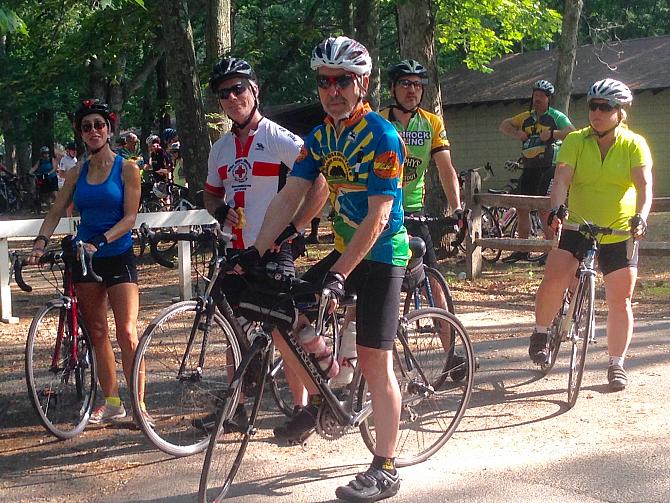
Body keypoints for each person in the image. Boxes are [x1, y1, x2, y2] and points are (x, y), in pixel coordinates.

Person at [231, 36, 408, 502]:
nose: (333, 90)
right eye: (325, 82)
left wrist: (339, 273)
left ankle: (385, 467)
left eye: (343, 81)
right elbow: (291, 195)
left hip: (384, 253)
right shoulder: (322, 137)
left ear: (362, 83)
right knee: (284, 310)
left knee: (375, 362)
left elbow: (379, 217)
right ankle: (328, 375)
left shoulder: (383, 136)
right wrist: (257, 250)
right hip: (350, 252)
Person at [194, 56, 328, 431]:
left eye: (239, 88)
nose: (232, 97)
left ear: (254, 91)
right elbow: (210, 195)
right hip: (236, 251)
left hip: (272, 249)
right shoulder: (219, 149)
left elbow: (321, 182)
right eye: (224, 93)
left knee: (283, 330)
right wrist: (220, 212)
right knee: (230, 328)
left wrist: (297, 227)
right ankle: (235, 408)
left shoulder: (279, 138)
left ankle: (305, 409)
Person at [26, 99, 149, 426]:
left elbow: (130, 217)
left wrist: (101, 241)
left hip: (116, 253)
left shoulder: (127, 168)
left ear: (109, 129)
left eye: (98, 125)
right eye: (86, 127)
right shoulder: (78, 171)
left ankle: (140, 405)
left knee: (126, 331)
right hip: (84, 257)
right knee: (96, 331)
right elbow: (55, 211)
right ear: (80, 134)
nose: (93, 131)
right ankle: (112, 401)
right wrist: (40, 243)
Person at [529, 79, 653, 392]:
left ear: (620, 112)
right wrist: (558, 209)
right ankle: (542, 332)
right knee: (554, 277)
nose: (596, 112)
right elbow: (561, 178)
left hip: (618, 228)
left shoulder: (634, 143)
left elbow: (644, 187)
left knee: (620, 298)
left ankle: (615, 364)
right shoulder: (576, 140)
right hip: (578, 225)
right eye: (593, 106)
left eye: (605, 107)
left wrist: (641, 217)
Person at [380, 59, 462, 310]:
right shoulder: (377, 120)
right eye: (405, 84)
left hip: (414, 211)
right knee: (372, 283)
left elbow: (445, 168)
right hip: (381, 211)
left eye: (417, 84)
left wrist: (457, 208)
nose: (412, 90)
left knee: (432, 281)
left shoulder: (432, 123)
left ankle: (451, 349)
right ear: (393, 88)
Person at [499, 79, 575, 262]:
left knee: (545, 210)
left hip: (549, 167)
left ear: (548, 98)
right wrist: (516, 133)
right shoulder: (526, 116)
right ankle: (523, 249)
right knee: (521, 206)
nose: (537, 99)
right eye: (535, 95)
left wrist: (553, 134)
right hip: (530, 166)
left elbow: (572, 132)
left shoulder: (555, 116)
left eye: (541, 96)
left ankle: (552, 251)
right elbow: (504, 125)